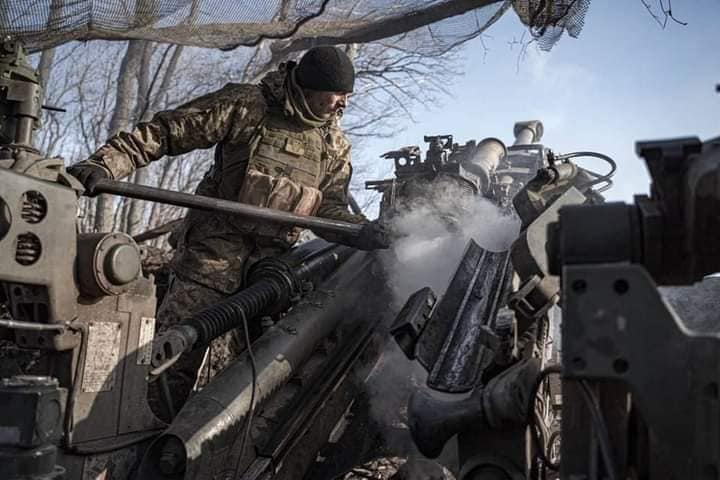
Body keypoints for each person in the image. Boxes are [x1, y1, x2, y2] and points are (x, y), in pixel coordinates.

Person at [68, 45, 390, 416]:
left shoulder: (334, 144)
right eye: (336, 95)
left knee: (241, 386)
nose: (342, 104)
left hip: (268, 275)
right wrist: (106, 164)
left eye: (347, 96)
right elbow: (167, 131)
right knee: (166, 369)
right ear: (310, 87)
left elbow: (329, 208)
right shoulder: (248, 105)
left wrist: (361, 231)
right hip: (209, 262)